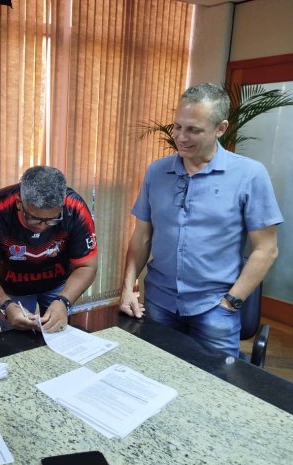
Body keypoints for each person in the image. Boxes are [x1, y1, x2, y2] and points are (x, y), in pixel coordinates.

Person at [119, 83, 283, 357]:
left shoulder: (250, 175)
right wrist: (127, 288)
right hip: (159, 302)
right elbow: (142, 236)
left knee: (215, 380)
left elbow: (267, 249)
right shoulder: (157, 172)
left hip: (215, 308)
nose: (181, 137)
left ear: (221, 128)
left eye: (193, 130)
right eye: (177, 126)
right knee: (155, 371)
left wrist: (231, 302)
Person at [0, 166, 98, 332]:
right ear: (19, 204)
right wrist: (6, 306)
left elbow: (87, 266)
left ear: (62, 206)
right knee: (16, 337)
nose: (42, 227)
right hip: (13, 288)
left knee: (58, 330)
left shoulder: (74, 208)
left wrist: (64, 301)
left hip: (58, 284)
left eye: (52, 220)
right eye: (33, 219)